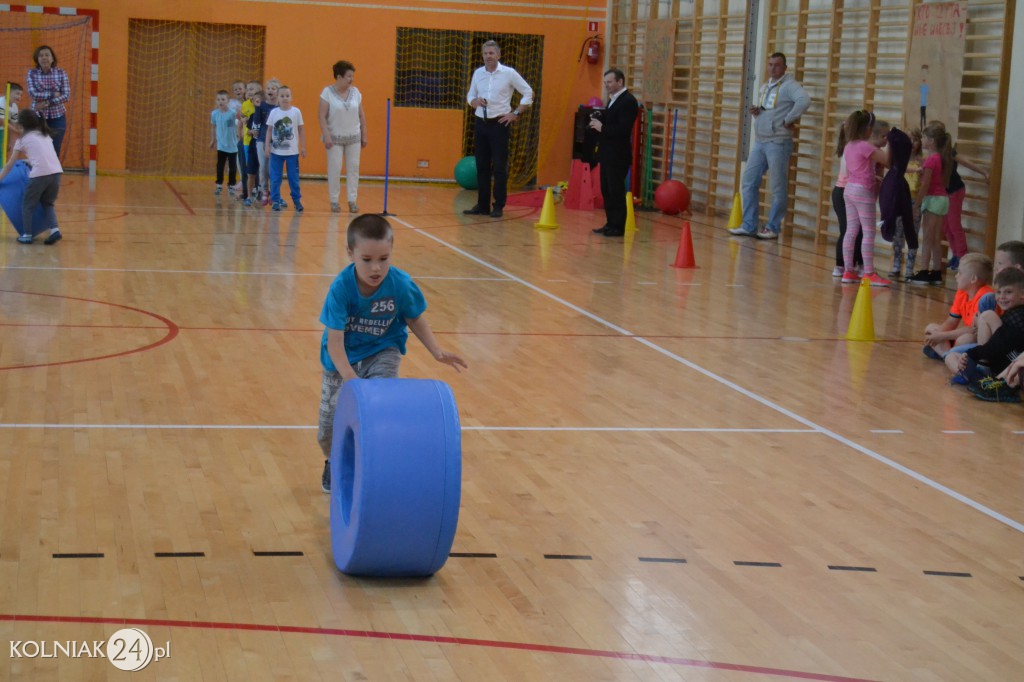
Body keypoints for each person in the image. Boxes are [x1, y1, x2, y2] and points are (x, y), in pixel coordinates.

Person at [317, 214, 468, 493]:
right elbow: (334, 342)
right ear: (350, 253)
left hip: (382, 349)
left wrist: (436, 351)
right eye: (367, 260)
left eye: (384, 259)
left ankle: (374, 465)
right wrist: (350, 377)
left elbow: (414, 318)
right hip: (342, 360)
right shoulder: (340, 289)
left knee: (378, 407)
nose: (376, 268)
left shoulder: (400, 284)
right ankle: (332, 458)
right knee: (327, 429)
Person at [730, 53, 810, 240]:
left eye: (777, 65)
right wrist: (759, 113)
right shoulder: (766, 86)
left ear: (784, 68)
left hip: (778, 142)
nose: (773, 68)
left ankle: (773, 227)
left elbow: (804, 101)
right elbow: (770, 109)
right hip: (760, 141)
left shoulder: (790, 86)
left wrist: (789, 119)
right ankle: (749, 225)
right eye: (770, 64)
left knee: (777, 186)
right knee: (749, 181)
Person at [464, 40, 533, 219]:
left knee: (500, 167)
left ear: (498, 55)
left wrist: (515, 113)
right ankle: (482, 205)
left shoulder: (509, 73)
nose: (488, 56)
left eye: (491, 53)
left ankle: (498, 205)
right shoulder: (478, 73)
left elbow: (528, 92)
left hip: (500, 124)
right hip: (481, 122)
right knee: (482, 166)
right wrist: (474, 102)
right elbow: (470, 94)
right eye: (486, 53)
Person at [947, 267, 1024, 399]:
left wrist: (973, 354)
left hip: (1009, 363)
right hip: (1000, 359)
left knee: (956, 355)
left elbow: (1000, 345)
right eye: (998, 292)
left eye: (1008, 292)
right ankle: (979, 374)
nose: (1002, 297)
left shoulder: (1017, 317)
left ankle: (982, 376)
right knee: (951, 356)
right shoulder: (1011, 314)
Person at [839, 111, 890, 286]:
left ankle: (848, 271)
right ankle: (868, 272)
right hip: (862, 192)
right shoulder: (865, 146)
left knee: (851, 231)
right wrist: (891, 143)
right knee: (868, 232)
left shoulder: (849, 145)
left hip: (850, 189)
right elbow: (888, 161)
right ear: (868, 129)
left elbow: (857, 169)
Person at [0, 109, 64, 245]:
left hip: (39, 175)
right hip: (57, 173)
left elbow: (9, 166)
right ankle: (55, 230)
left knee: (27, 204)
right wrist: (30, 161)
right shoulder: (45, 135)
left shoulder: (22, 140)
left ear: (21, 124)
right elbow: (45, 156)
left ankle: (27, 235)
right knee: (48, 203)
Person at [589, 68, 639, 237]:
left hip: (618, 155)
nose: (607, 85)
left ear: (620, 82)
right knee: (607, 190)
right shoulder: (613, 100)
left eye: (610, 82)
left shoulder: (628, 101)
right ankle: (611, 223)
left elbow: (623, 129)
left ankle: (618, 226)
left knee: (616, 190)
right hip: (607, 153)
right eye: (605, 83)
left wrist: (602, 127)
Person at [922, 252, 993, 359]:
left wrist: (941, 336)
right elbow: (952, 321)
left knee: (966, 339)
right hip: (965, 337)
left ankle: (946, 356)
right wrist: (935, 336)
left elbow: (974, 330)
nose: (956, 276)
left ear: (973, 279)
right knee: (931, 328)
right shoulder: (962, 292)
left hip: (982, 341)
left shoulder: (985, 297)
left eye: (959, 273)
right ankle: (948, 356)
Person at [319, 60, 368, 214]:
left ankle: (352, 201)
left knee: (354, 169)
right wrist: (326, 135)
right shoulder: (327, 93)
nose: (351, 79)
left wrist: (364, 134)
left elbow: (361, 114)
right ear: (339, 77)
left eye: (352, 76)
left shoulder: (356, 93)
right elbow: (321, 115)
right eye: (348, 76)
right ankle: (334, 201)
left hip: (354, 137)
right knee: (335, 169)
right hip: (334, 139)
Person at [908, 122, 953, 285]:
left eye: (925, 137)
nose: (923, 140)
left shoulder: (931, 160)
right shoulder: (940, 157)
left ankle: (923, 271)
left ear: (932, 141)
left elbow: (925, 185)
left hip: (933, 199)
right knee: (935, 239)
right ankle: (936, 272)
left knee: (927, 238)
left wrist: (916, 205)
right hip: (942, 200)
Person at [879, 126, 917, 280]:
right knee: (905, 229)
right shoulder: (898, 176)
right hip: (900, 189)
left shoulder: (894, 178)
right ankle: (905, 268)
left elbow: (888, 162)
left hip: (897, 189)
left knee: (901, 229)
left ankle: (902, 268)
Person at [264, 84, 306, 212]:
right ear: (278, 97)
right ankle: (275, 200)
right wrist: (267, 146)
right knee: (275, 178)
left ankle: (296, 200)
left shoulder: (296, 112)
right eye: (282, 96)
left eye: (287, 96)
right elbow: (269, 130)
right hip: (276, 153)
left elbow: (301, 130)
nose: (285, 98)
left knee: (293, 178)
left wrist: (303, 146)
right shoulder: (274, 112)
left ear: (291, 97)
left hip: (292, 153)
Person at [830, 123, 863, 277]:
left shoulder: (854, 147)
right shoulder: (850, 148)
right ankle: (840, 264)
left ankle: (856, 262)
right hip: (843, 191)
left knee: (860, 230)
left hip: (848, 191)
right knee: (847, 230)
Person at [25, 45, 70, 157]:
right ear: (37, 59)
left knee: (55, 149)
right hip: (37, 117)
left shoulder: (61, 73)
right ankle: (37, 174)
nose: (44, 57)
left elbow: (66, 96)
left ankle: (53, 174)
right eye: (41, 55)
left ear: (52, 58)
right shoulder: (32, 73)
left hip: (58, 117)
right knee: (37, 149)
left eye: (47, 55)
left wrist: (46, 103)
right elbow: (33, 94)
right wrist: (53, 94)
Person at [257, 78, 281, 206]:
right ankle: (264, 190)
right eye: (268, 88)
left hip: (276, 142)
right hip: (262, 140)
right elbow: (257, 121)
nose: (270, 90)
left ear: (278, 92)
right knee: (263, 167)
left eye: (273, 88)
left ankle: (275, 192)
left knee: (273, 169)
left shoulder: (281, 107)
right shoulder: (262, 106)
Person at [210, 90, 239, 196]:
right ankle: (219, 185)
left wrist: (238, 135)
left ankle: (231, 185)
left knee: (232, 167)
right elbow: (213, 127)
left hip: (232, 145)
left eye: (223, 99)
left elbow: (236, 126)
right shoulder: (214, 114)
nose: (220, 101)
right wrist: (213, 140)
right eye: (218, 99)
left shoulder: (232, 114)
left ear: (228, 101)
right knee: (220, 166)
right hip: (221, 146)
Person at [243, 87, 263, 207]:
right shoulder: (252, 116)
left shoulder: (267, 116)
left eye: (260, 101)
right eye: (256, 101)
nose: (258, 103)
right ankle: (249, 196)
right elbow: (248, 131)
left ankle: (263, 193)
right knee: (251, 173)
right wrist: (252, 132)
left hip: (263, 148)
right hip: (253, 147)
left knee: (263, 173)